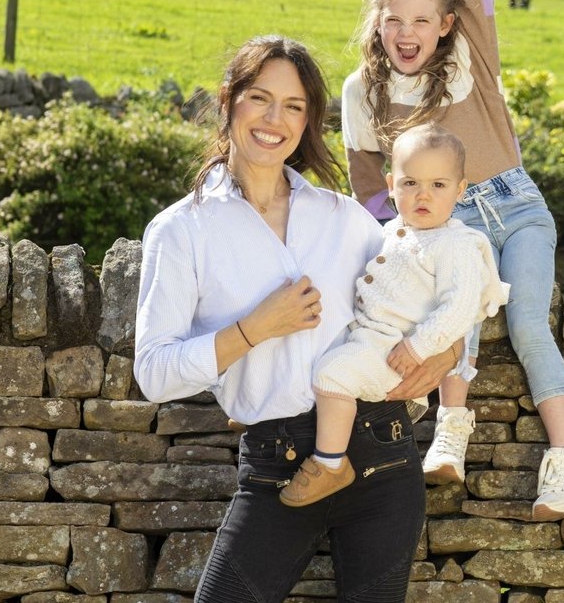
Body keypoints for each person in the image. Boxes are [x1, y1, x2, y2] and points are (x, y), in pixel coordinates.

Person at [134, 35, 462, 603]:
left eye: (293, 106)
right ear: (227, 99)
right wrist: (253, 329)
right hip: (276, 467)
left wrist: (448, 353)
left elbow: (435, 285)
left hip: (384, 455)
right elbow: (155, 374)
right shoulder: (181, 230)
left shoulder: (344, 219)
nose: (273, 119)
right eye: (259, 98)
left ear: (309, 119)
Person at [341, 0, 564, 520]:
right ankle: (450, 433)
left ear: (446, 24)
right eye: (393, 19)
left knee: (530, 323)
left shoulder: (467, 59)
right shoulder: (362, 89)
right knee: (462, 322)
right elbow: (368, 180)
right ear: (376, 21)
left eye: (420, 20)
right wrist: (406, 237)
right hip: (452, 218)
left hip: (520, 204)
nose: (406, 34)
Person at [279, 124, 509, 507]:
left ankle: (331, 463)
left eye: (438, 185)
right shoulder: (388, 232)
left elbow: (461, 305)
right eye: (410, 183)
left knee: (331, 373)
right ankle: (275, 400)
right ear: (390, 184)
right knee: (306, 345)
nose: (423, 195)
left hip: (395, 354)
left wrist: (419, 348)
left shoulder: (456, 244)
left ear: (460, 189)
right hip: (367, 337)